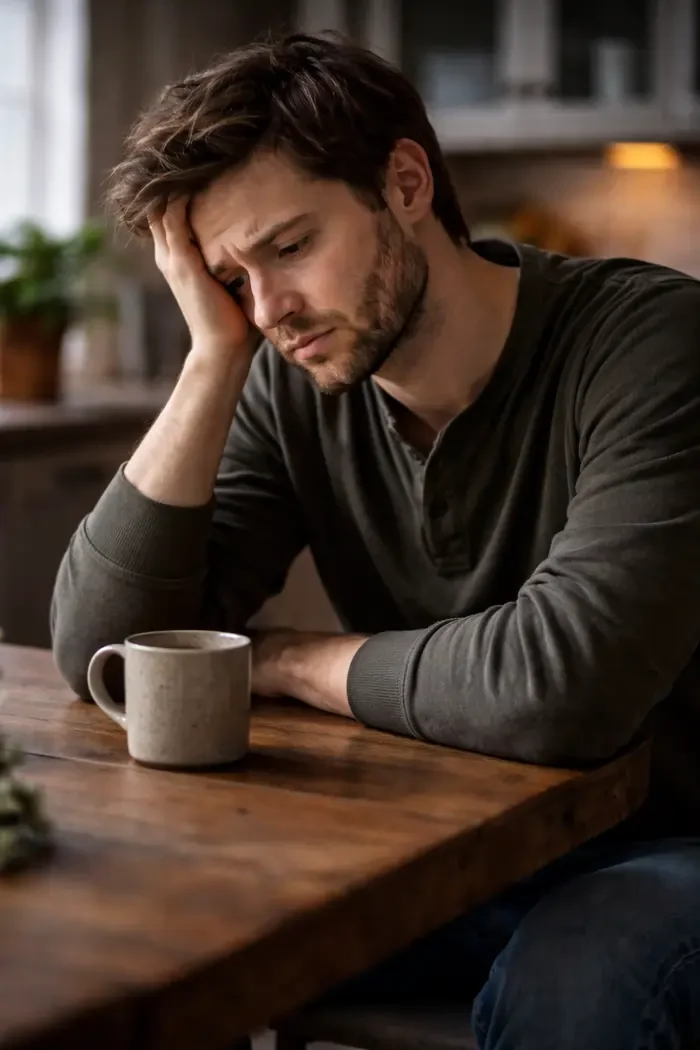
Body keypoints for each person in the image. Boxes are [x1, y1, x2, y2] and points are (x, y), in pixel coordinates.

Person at [52, 32, 700, 1049]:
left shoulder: (652, 344)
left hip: (670, 836)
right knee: (136, 928)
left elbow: (561, 685)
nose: (270, 311)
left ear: (404, 183)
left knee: (584, 977)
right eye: (230, 278)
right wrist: (211, 359)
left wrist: (294, 662)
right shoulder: (287, 374)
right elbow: (105, 649)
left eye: (289, 246)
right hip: (462, 836)